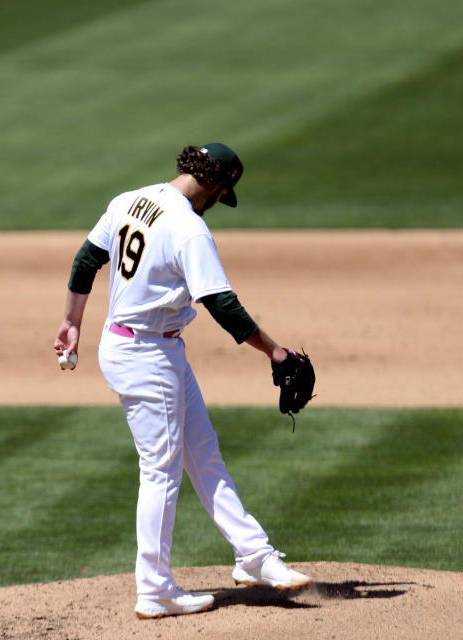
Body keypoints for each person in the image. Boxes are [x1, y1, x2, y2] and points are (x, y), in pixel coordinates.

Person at [53, 143, 313, 619]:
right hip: (147, 355)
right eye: (223, 193)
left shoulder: (129, 200)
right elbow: (221, 305)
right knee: (160, 470)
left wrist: (71, 322)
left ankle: (254, 556)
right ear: (215, 183)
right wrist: (276, 351)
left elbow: (86, 260)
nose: (219, 202)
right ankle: (154, 589)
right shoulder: (190, 228)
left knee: (203, 451)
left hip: (140, 346)